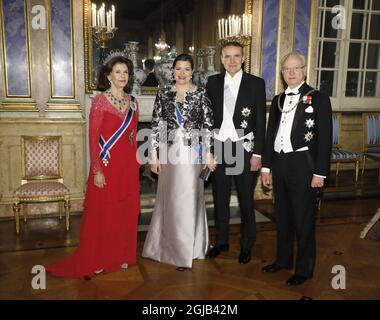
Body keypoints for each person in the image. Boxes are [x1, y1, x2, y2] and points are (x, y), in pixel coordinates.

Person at [45, 54, 140, 278]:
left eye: (125, 72)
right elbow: (92, 138)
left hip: (127, 164)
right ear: (108, 75)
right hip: (106, 166)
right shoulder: (99, 102)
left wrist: (137, 163)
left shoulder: (133, 102)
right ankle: (99, 257)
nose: (122, 76)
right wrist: (97, 170)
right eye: (117, 72)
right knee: (104, 213)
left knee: (125, 210)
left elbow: (134, 136)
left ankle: (122, 255)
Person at [261, 51, 332, 286]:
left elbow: (325, 139)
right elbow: (271, 134)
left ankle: (304, 269)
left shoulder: (318, 98)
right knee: (282, 217)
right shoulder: (279, 99)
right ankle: (283, 259)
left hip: (304, 165)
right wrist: (266, 167)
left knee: (303, 219)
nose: (290, 73)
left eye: (295, 68)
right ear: (282, 74)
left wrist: (320, 173)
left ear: (303, 70)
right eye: (286, 69)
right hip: (280, 164)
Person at [142, 53, 216, 270]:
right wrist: (153, 156)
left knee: (189, 199)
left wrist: (209, 154)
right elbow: (157, 125)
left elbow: (208, 127)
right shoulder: (164, 93)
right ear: (172, 71)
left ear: (192, 71)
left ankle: (189, 249)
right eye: (178, 69)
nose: (182, 73)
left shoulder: (201, 94)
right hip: (169, 152)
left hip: (193, 152)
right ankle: (165, 247)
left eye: (186, 69)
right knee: (169, 199)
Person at [205, 41, 266, 264]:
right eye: (227, 56)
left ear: (242, 59)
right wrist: (208, 151)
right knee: (219, 198)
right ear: (221, 60)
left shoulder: (256, 84)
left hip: (245, 148)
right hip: (220, 147)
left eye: (236, 56)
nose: (231, 61)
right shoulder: (212, 82)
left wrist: (258, 154)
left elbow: (260, 121)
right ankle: (221, 242)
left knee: (246, 200)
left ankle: (246, 245)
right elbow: (206, 119)